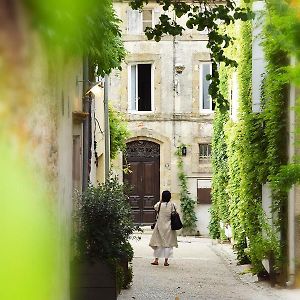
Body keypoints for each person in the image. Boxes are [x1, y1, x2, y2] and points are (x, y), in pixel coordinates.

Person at [149, 190, 178, 266]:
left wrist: (161, 201)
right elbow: (175, 210)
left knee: (158, 243)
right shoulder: (173, 205)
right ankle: (166, 261)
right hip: (169, 227)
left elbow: (155, 207)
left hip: (160, 226)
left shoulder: (159, 204)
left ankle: (156, 260)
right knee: (168, 244)